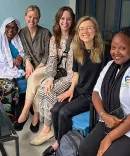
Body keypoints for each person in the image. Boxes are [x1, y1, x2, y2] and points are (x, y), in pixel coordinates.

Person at [42, 16, 111, 156]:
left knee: (64, 112)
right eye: (81, 29)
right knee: (55, 109)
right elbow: (76, 74)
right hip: (79, 90)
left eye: (89, 28)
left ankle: (61, 146)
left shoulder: (105, 50)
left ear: (95, 30)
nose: (85, 31)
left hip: (92, 95)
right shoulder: (78, 50)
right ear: (78, 32)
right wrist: (71, 90)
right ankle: (60, 141)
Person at [79, 27, 130, 156]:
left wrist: (109, 138)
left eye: (122, 48)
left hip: (127, 128)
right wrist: (103, 115)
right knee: (85, 149)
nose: (116, 52)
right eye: (113, 47)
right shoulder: (110, 66)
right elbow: (95, 93)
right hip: (109, 120)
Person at [29, 6, 75, 145]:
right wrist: (49, 78)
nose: (65, 22)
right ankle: (47, 127)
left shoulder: (77, 39)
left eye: (68, 19)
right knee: (42, 89)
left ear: (72, 21)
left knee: (49, 93)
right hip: (58, 74)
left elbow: (75, 67)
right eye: (62, 18)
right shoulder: (54, 38)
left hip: (71, 75)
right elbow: (52, 61)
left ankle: (47, 128)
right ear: (58, 19)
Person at [14, 5, 51, 132]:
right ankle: (36, 116)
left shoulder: (45, 33)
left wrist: (39, 66)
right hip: (30, 67)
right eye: (29, 17)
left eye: (35, 18)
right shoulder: (21, 33)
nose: (32, 20)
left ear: (39, 19)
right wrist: (28, 62)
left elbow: (48, 54)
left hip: (44, 66)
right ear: (25, 17)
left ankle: (25, 112)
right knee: (35, 81)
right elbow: (23, 51)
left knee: (33, 77)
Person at [0, 17, 25, 121]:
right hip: (3, 70)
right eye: (8, 27)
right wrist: (9, 63)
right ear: (4, 28)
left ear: (17, 29)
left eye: (14, 28)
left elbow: (25, 52)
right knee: (9, 86)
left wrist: (20, 57)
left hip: (16, 70)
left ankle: (8, 118)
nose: (11, 30)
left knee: (11, 85)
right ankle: (6, 117)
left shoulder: (18, 41)